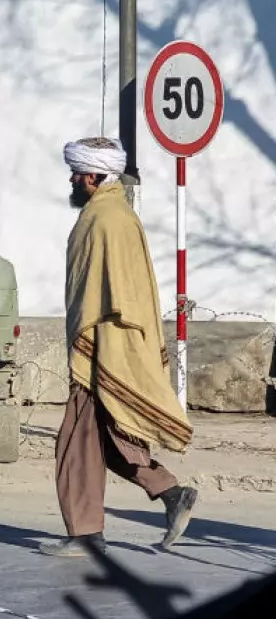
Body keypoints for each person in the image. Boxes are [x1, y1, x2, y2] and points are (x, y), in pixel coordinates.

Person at [39, 136, 198, 557]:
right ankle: (169, 491)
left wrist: (98, 351)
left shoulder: (105, 219)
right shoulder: (113, 213)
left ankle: (87, 536)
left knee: (77, 442)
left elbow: (110, 296)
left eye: (78, 173)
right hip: (107, 345)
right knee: (106, 440)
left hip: (104, 347)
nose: (73, 179)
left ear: (94, 175)